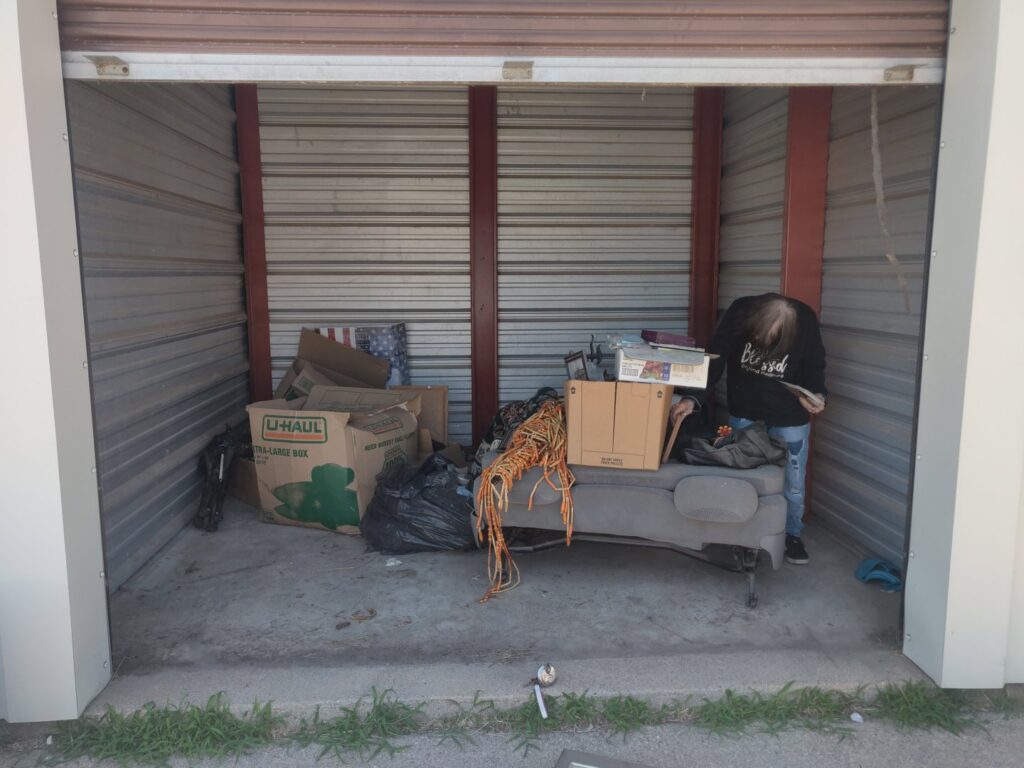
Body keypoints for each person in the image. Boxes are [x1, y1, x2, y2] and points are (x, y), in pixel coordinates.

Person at [670, 293, 827, 565]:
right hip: (745, 407)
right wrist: (691, 398)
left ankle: (790, 535)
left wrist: (818, 397)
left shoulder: (805, 320)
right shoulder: (739, 312)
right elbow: (715, 358)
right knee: (743, 475)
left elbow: (815, 366)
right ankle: (742, 534)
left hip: (790, 412)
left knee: (793, 481)